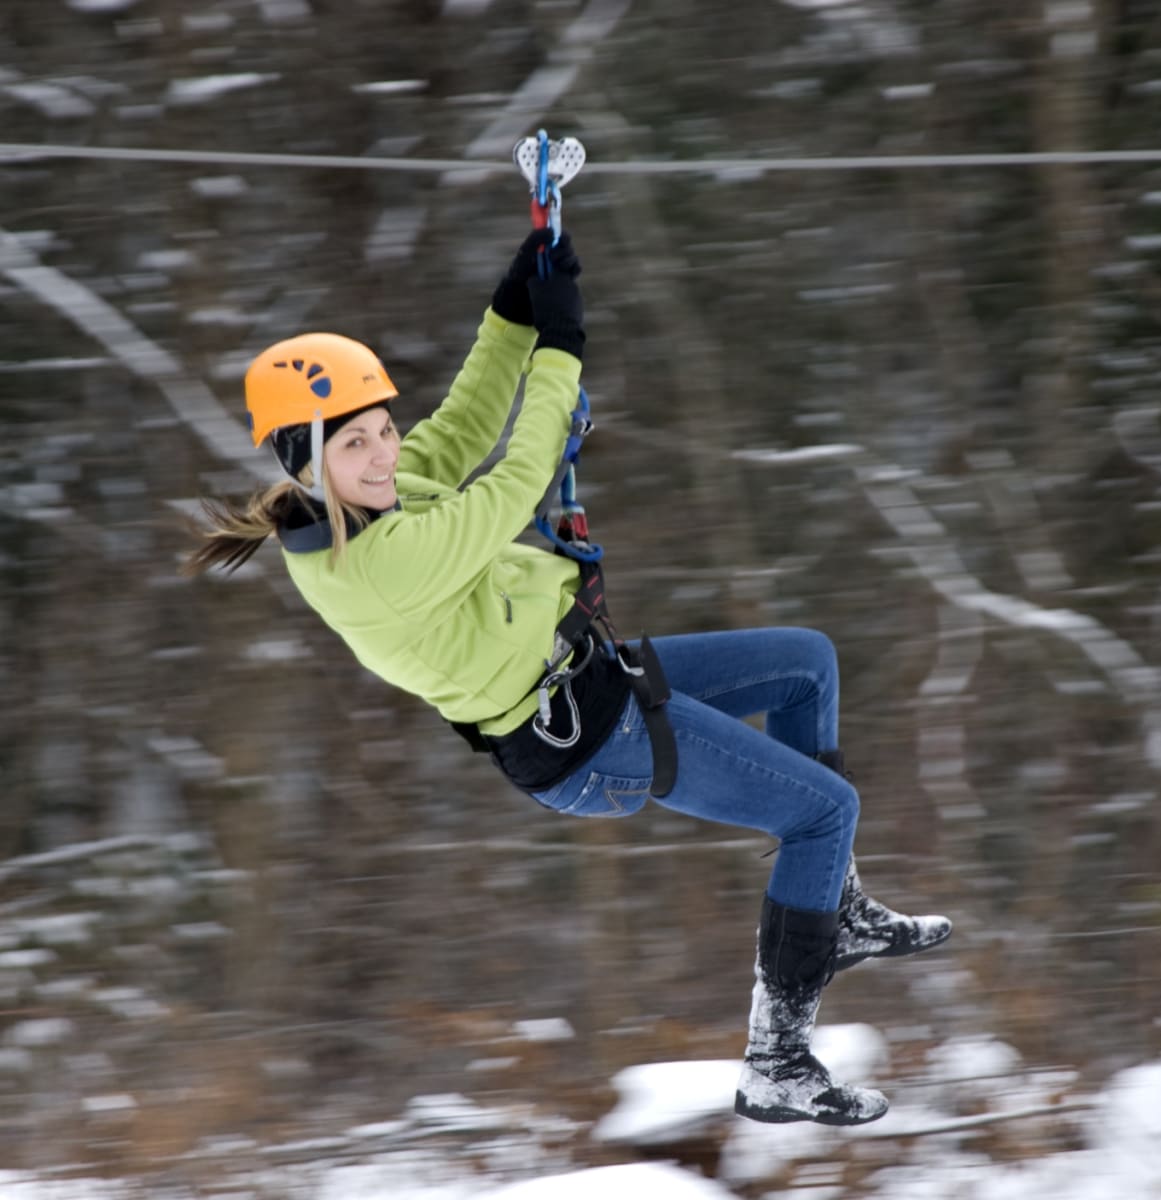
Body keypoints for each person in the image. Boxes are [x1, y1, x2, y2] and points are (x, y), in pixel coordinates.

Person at [183, 227, 952, 1126]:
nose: (386, 453)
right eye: (356, 445)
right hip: (587, 744)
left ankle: (834, 911)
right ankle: (777, 1061)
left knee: (805, 665)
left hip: (595, 671)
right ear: (305, 464)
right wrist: (562, 347)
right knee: (824, 810)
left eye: (384, 429)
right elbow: (514, 480)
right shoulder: (372, 564)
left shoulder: (376, 494)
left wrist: (516, 306)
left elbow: (469, 421)